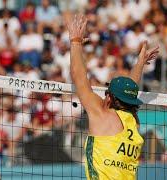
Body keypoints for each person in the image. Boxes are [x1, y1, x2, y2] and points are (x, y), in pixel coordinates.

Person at [65, 14, 159, 179]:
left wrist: (75, 41)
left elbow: (78, 76)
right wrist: (139, 64)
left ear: (108, 98)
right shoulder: (134, 122)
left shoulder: (102, 115)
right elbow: (129, 90)